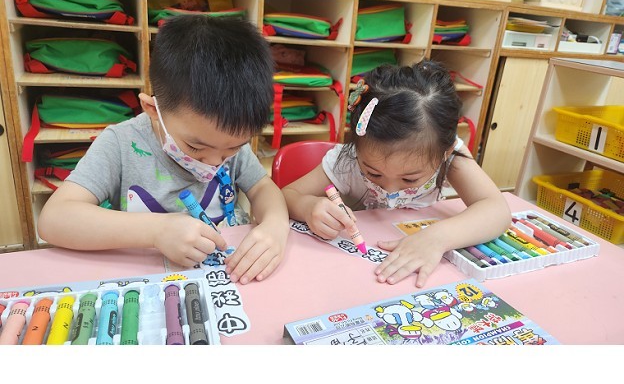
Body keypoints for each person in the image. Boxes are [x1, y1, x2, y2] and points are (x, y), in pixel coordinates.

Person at [38, 15, 290, 285]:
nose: (215, 162)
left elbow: (263, 188)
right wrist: (157, 231)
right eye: (196, 146)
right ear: (152, 109)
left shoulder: (225, 140)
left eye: (232, 149)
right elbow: (54, 219)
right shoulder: (120, 143)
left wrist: (275, 226)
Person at [282, 60, 511, 288]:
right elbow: (286, 195)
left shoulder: (450, 157)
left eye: (410, 179)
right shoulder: (347, 160)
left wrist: (437, 238)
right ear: (356, 147)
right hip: (350, 269)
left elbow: (496, 210)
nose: (390, 189)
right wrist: (308, 207)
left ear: (446, 152)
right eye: (373, 173)